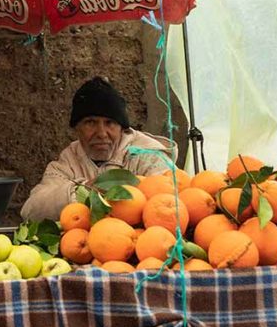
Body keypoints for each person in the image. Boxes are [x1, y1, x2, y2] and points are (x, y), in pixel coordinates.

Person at [20, 77, 176, 222]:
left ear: (122, 128)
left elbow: (173, 205)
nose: (101, 134)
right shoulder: (68, 161)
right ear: (77, 128)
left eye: (109, 123)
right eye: (91, 122)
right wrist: (83, 191)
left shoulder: (148, 156)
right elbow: (31, 210)